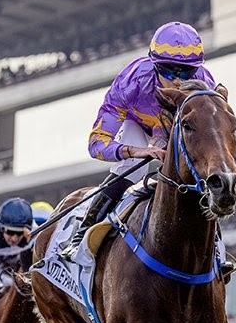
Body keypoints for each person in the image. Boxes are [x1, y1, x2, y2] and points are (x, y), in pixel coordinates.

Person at [59, 21, 218, 257]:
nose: (177, 80)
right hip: (138, 127)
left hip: (176, 130)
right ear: (154, 65)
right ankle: (82, 234)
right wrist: (135, 151)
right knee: (130, 168)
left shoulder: (205, 86)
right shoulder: (130, 83)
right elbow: (96, 144)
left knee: (204, 174)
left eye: (186, 72)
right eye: (168, 71)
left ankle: (217, 249)